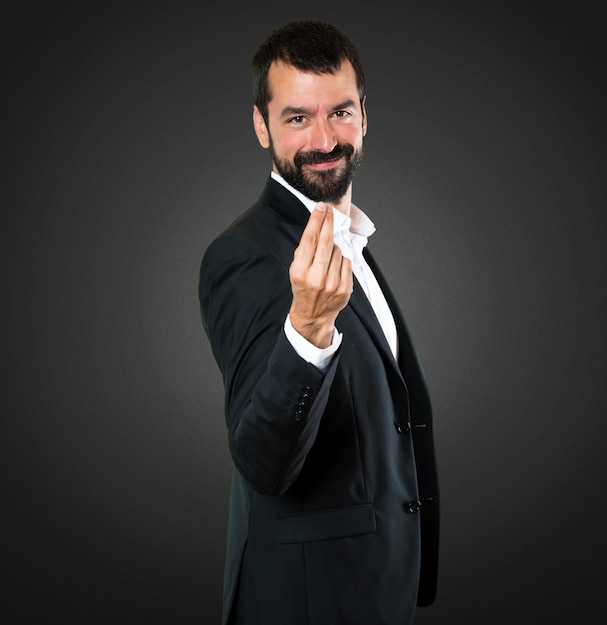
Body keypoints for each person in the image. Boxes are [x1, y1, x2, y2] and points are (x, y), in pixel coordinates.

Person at [198, 19, 439, 625]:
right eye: (298, 118)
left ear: (365, 115)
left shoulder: (352, 237)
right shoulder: (244, 256)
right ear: (262, 126)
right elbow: (262, 461)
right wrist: (306, 331)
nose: (326, 139)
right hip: (307, 603)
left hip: (374, 587)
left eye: (341, 112)